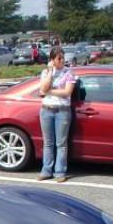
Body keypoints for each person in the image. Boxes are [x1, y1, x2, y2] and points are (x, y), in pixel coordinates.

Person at [37, 46, 76, 183]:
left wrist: (49, 91)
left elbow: (67, 92)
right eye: (59, 58)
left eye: (63, 58)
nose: (62, 61)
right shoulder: (46, 72)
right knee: (48, 143)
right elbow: (42, 88)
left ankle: (59, 172)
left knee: (61, 143)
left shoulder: (68, 73)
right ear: (52, 60)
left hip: (62, 111)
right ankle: (46, 170)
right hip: (47, 110)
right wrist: (50, 72)